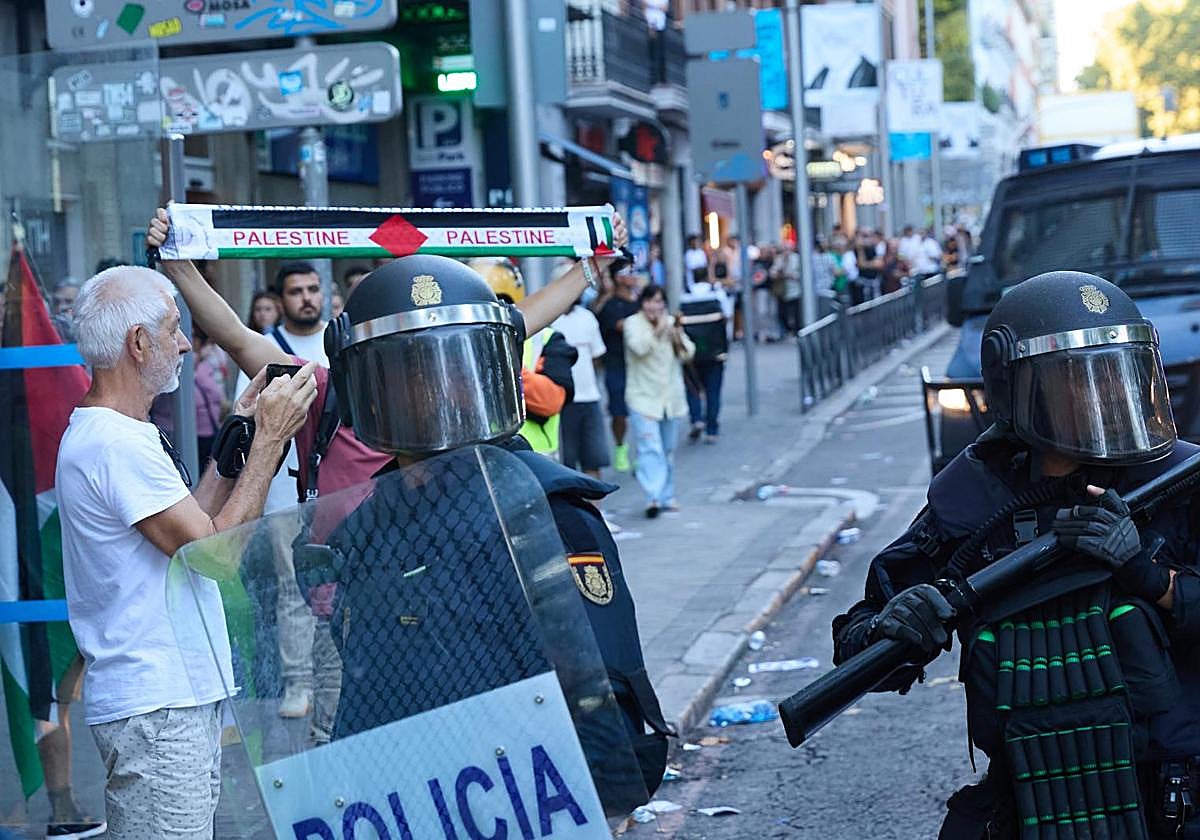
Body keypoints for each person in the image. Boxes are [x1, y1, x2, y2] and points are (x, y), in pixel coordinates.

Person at [146, 213, 673, 812]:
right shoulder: (346, 455)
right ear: (369, 382)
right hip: (394, 692)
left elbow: (590, 679)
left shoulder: (539, 511)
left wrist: (587, 268)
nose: (430, 390)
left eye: (446, 368)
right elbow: (242, 339)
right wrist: (181, 268)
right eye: (405, 373)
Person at [832, 271, 1200, 838]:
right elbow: (859, 648)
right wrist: (896, 625)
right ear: (1018, 390)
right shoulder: (974, 500)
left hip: (1170, 799)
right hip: (1035, 804)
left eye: (1117, 373)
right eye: (1080, 379)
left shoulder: (1178, 481)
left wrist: (1154, 580)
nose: (1105, 393)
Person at [55, 264, 316, 839]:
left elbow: (194, 524)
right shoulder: (114, 443)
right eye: (174, 329)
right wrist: (271, 440)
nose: (183, 343)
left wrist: (240, 429)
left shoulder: (122, 433)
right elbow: (215, 556)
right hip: (158, 705)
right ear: (138, 343)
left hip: (165, 701)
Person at [236, 260, 331, 720]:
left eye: (313, 289)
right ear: (281, 298)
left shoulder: (339, 339)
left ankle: (335, 676)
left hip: (337, 489)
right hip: (283, 492)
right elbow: (250, 421)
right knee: (294, 591)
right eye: (296, 291)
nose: (306, 298)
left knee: (338, 584)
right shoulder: (266, 348)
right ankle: (299, 682)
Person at [472, 256, 578, 459]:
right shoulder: (461, 343)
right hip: (480, 460)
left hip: (536, 462)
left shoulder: (546, 339)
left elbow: (551, 401)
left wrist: (503, 367)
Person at [624, 285, 694, 518]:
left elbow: (688, 353)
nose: (654, 307)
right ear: (642, 303)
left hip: (670, 398)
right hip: (642, 397)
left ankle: (667, 495)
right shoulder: (633, 324)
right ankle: (652, 496)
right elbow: (639, 348)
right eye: (650, 301)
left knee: (667, 449)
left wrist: (675, 335)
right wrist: (657, 332)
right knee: (650, 448)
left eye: (658, 301)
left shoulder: (670, 322)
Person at [553, 296, 610, 480]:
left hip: (590, 397)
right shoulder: (550, 320)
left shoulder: (587, 317)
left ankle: (595, 508)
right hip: (561, 402)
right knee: (566, 462)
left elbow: (597, 355)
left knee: (593, 458)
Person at [596, 266, 642, 473]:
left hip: (640, 364)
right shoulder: (610, 305)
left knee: (642, 409)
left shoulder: (641, 301)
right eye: (626, 272)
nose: (633, 275)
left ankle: (644, 451)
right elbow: (621, 326)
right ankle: (620, 446)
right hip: (616, 364)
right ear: (616, 278)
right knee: (619, 412)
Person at [680, 273, 730, 444]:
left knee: (693, 388)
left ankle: (696, 419)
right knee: (713, 391)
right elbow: (727, 316)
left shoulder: (683, 294)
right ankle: (712, 429)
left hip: (691, 352)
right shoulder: (717, 293)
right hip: (715, 351)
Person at [193, 327, 228, 466]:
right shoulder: (198, 363)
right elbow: (214, 391)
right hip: (202, 425)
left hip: (207, 423)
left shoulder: (213, 355)